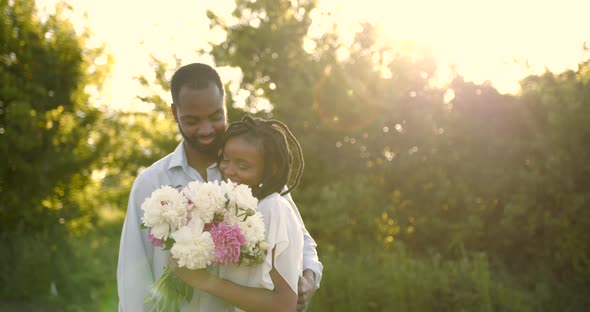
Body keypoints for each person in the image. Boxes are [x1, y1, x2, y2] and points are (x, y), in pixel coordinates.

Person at [117, 63, 322, 311]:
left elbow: (299, 237)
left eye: (215, 117)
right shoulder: (150, 183)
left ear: (225, 105)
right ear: (174, 113)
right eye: (192, 120)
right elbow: (133, 276)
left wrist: (309, 276)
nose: (206, 130)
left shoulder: (254, 172)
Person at [172, 115, 306, 311]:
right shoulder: (240, 206)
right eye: (225, 159)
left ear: (270, 170)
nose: (228, 170)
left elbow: (284, 304)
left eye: (243, 166)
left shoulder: (273, 209)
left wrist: (205, 282)